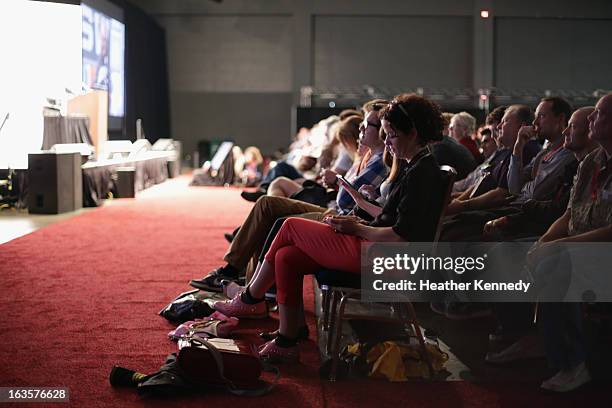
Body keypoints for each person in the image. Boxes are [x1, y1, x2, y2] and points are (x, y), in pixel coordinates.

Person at [213, 94, 449, 363]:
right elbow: (393, 219)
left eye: (391, 136)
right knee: (287, 256)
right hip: (379, 249)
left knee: (289, 226)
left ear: (412, 133)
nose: (386, 143)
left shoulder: (420, 173)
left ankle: (250, 298)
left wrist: (356, 227)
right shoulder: (417, 166)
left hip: (384, 258)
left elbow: (400, 235)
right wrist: (360, 210)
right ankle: (288, 337)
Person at [190, 106, 388, 291]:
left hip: (340, 217)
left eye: (367, 124)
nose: (362, 127)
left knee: (275, 216)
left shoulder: (377, 161)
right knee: (267, 204)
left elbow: (346, 199)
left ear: (382, 131)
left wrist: (338, 181)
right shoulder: (368, 156)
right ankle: (239, 273)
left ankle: (248, 283)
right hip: (336, 211)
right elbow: (348, 193)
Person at [497, 94, 612, 392]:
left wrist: (564, 246)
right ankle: (533, 338)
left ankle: (573, 362)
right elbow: (570, 213)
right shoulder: (592, 162)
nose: (590, 121)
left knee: (556, 263)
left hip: (602, 250)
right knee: (513, 253)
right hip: (578, 242)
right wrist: (546, 241)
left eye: (597, 115)